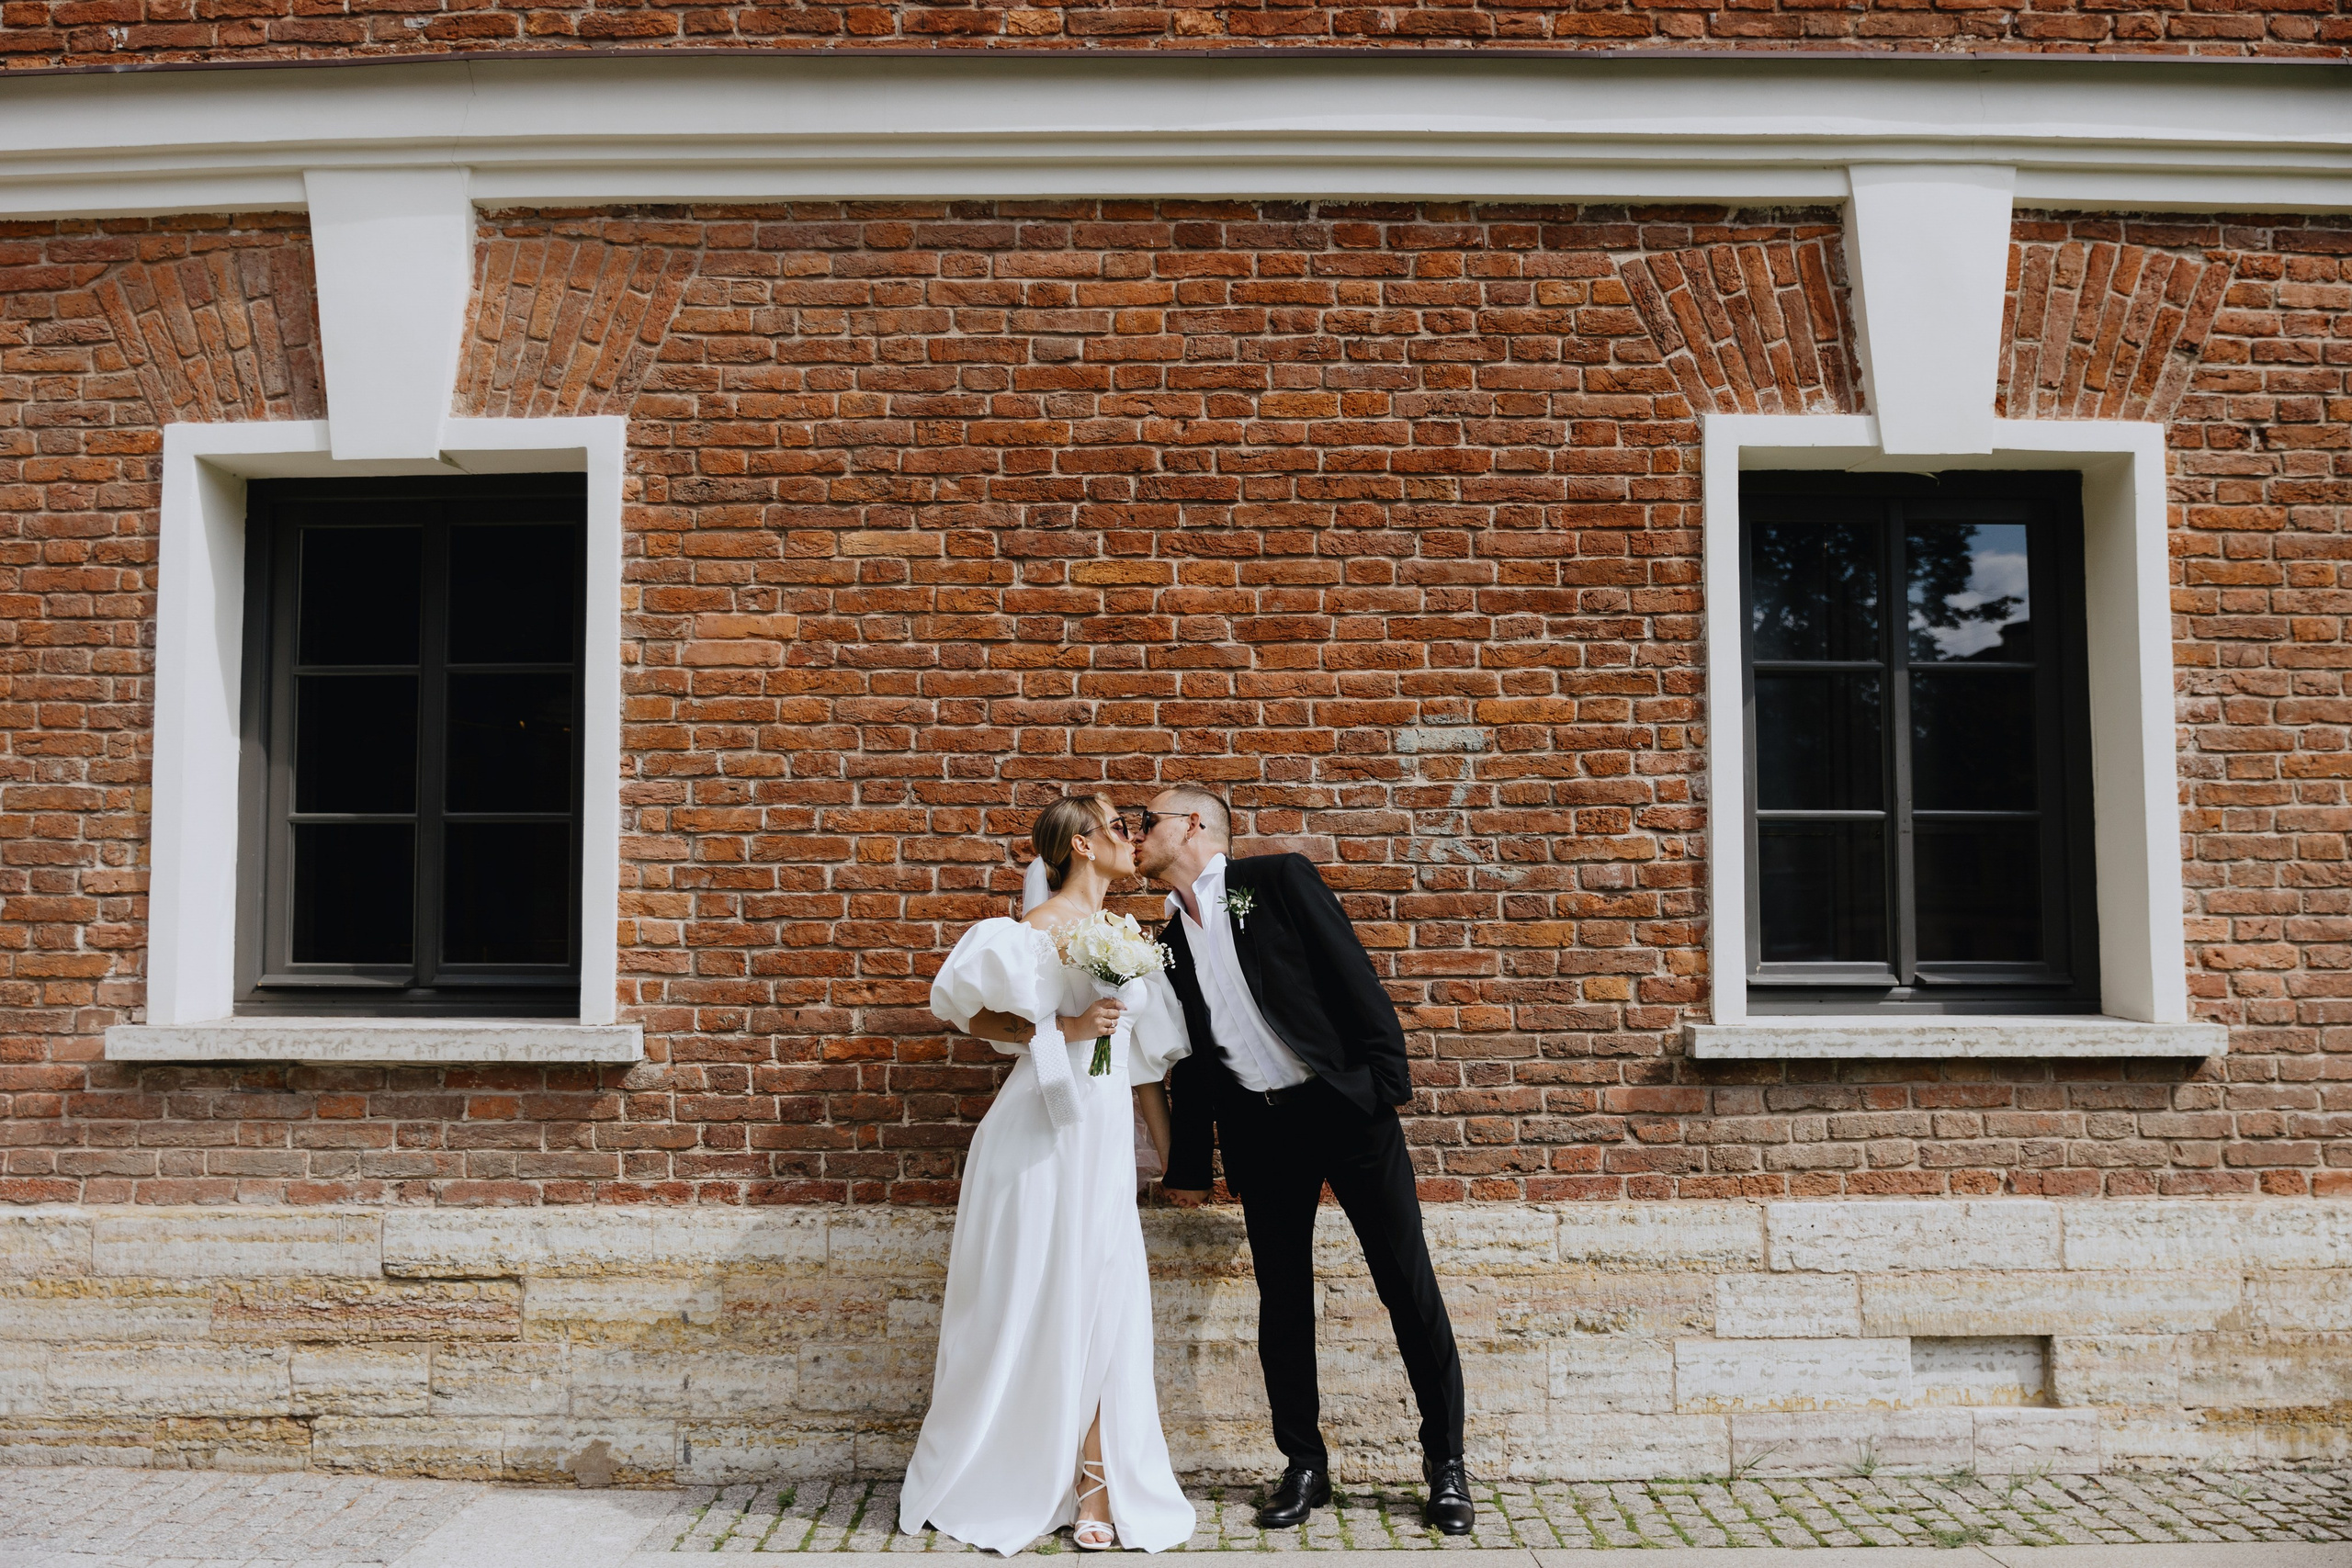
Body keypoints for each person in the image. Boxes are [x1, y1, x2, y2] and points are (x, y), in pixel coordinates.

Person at [1135, 786, 1476, 1536]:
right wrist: (1190, 1166)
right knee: (1282, 1300)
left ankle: (1446, 1461)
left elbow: (1352, 974)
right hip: (1261, 1130)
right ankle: (1304, 1465)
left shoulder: (1278, 880)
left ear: (1193, 826)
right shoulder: (1166, 939)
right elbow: (1193, 1060)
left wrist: (1383, 1090)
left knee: (1405, 1282)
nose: (1135, 835)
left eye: (1146, 821)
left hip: (1345, 1109)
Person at [900, 795, 1197, 1555]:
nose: (1132, 836)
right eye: (1120, 826)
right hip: (1039, 1136)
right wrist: (1065, 1027)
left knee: (1106, 1297)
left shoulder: (1125, 935)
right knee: (1038, 1298)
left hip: (1102, 1140)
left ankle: (1096, 1481)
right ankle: (1031, 1472)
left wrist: (1176, 1159)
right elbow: (967, 1014)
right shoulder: (1029, 932)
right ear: (1082, 844)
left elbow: (1140, 1066)